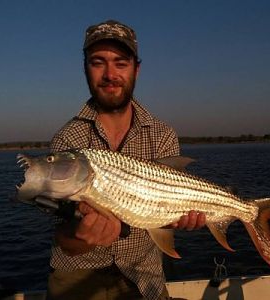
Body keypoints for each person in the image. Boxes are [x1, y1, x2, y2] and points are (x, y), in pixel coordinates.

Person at [46, 20, 206, 300]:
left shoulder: (163, 134)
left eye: (120, 63)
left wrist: (180, 218)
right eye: (98, 62)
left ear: (136, 69)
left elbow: (162, 216)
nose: (110, 74)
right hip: (77, 277)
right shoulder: (66, 140)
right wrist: (81, 238)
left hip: (143, 276)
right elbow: (60, 236)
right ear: (85, 67)